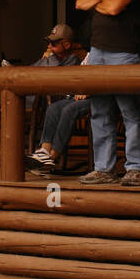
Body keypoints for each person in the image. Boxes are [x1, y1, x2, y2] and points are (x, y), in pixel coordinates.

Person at [75, 0, 140, 187]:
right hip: (97, 51)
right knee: (99, 111)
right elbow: (80, 3)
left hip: (125, 51)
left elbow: (117, 7)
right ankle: (104, 168)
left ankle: (135, 167)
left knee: (129, 110)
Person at [27, 24, 91, 172]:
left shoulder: (73, 59)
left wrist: (87, 89)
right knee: (54, 108)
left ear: (67, 44)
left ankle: (51, 157)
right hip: (76, 96)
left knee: (68, 109)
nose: (49, 46)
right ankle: (44, 150)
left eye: (54, 43)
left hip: (93, 98)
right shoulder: (89, 55)